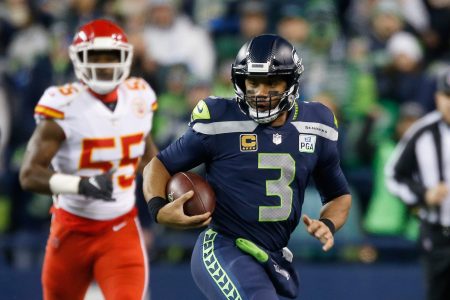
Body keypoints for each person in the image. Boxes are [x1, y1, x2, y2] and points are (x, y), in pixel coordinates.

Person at [143, 34, 352, 299]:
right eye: (253, 82)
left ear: (291, 82)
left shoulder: (317, 124)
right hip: (224, 246)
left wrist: (328, 223)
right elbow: (158, 165)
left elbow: (338, 195)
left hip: (273, 256)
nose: (261, 93)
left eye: (272, 82)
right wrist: (158, 209)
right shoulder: (219, 120)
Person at [19, 19, 158, 300]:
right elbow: (29, 174)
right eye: (95, 57)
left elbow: (149, 160)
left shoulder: (139, 97)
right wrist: (80, 185)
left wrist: (171, 190)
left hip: (121, 230)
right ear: (78, 59)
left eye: (112, 57)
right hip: (71, 229)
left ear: (126, 58)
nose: (104, 65)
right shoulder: (63, 104)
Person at [386, 68, 450, 300]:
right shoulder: (422, 131)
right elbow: (393, 176)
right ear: (437, 97)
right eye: (446, 95)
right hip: (437, 235)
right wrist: (424, 194)